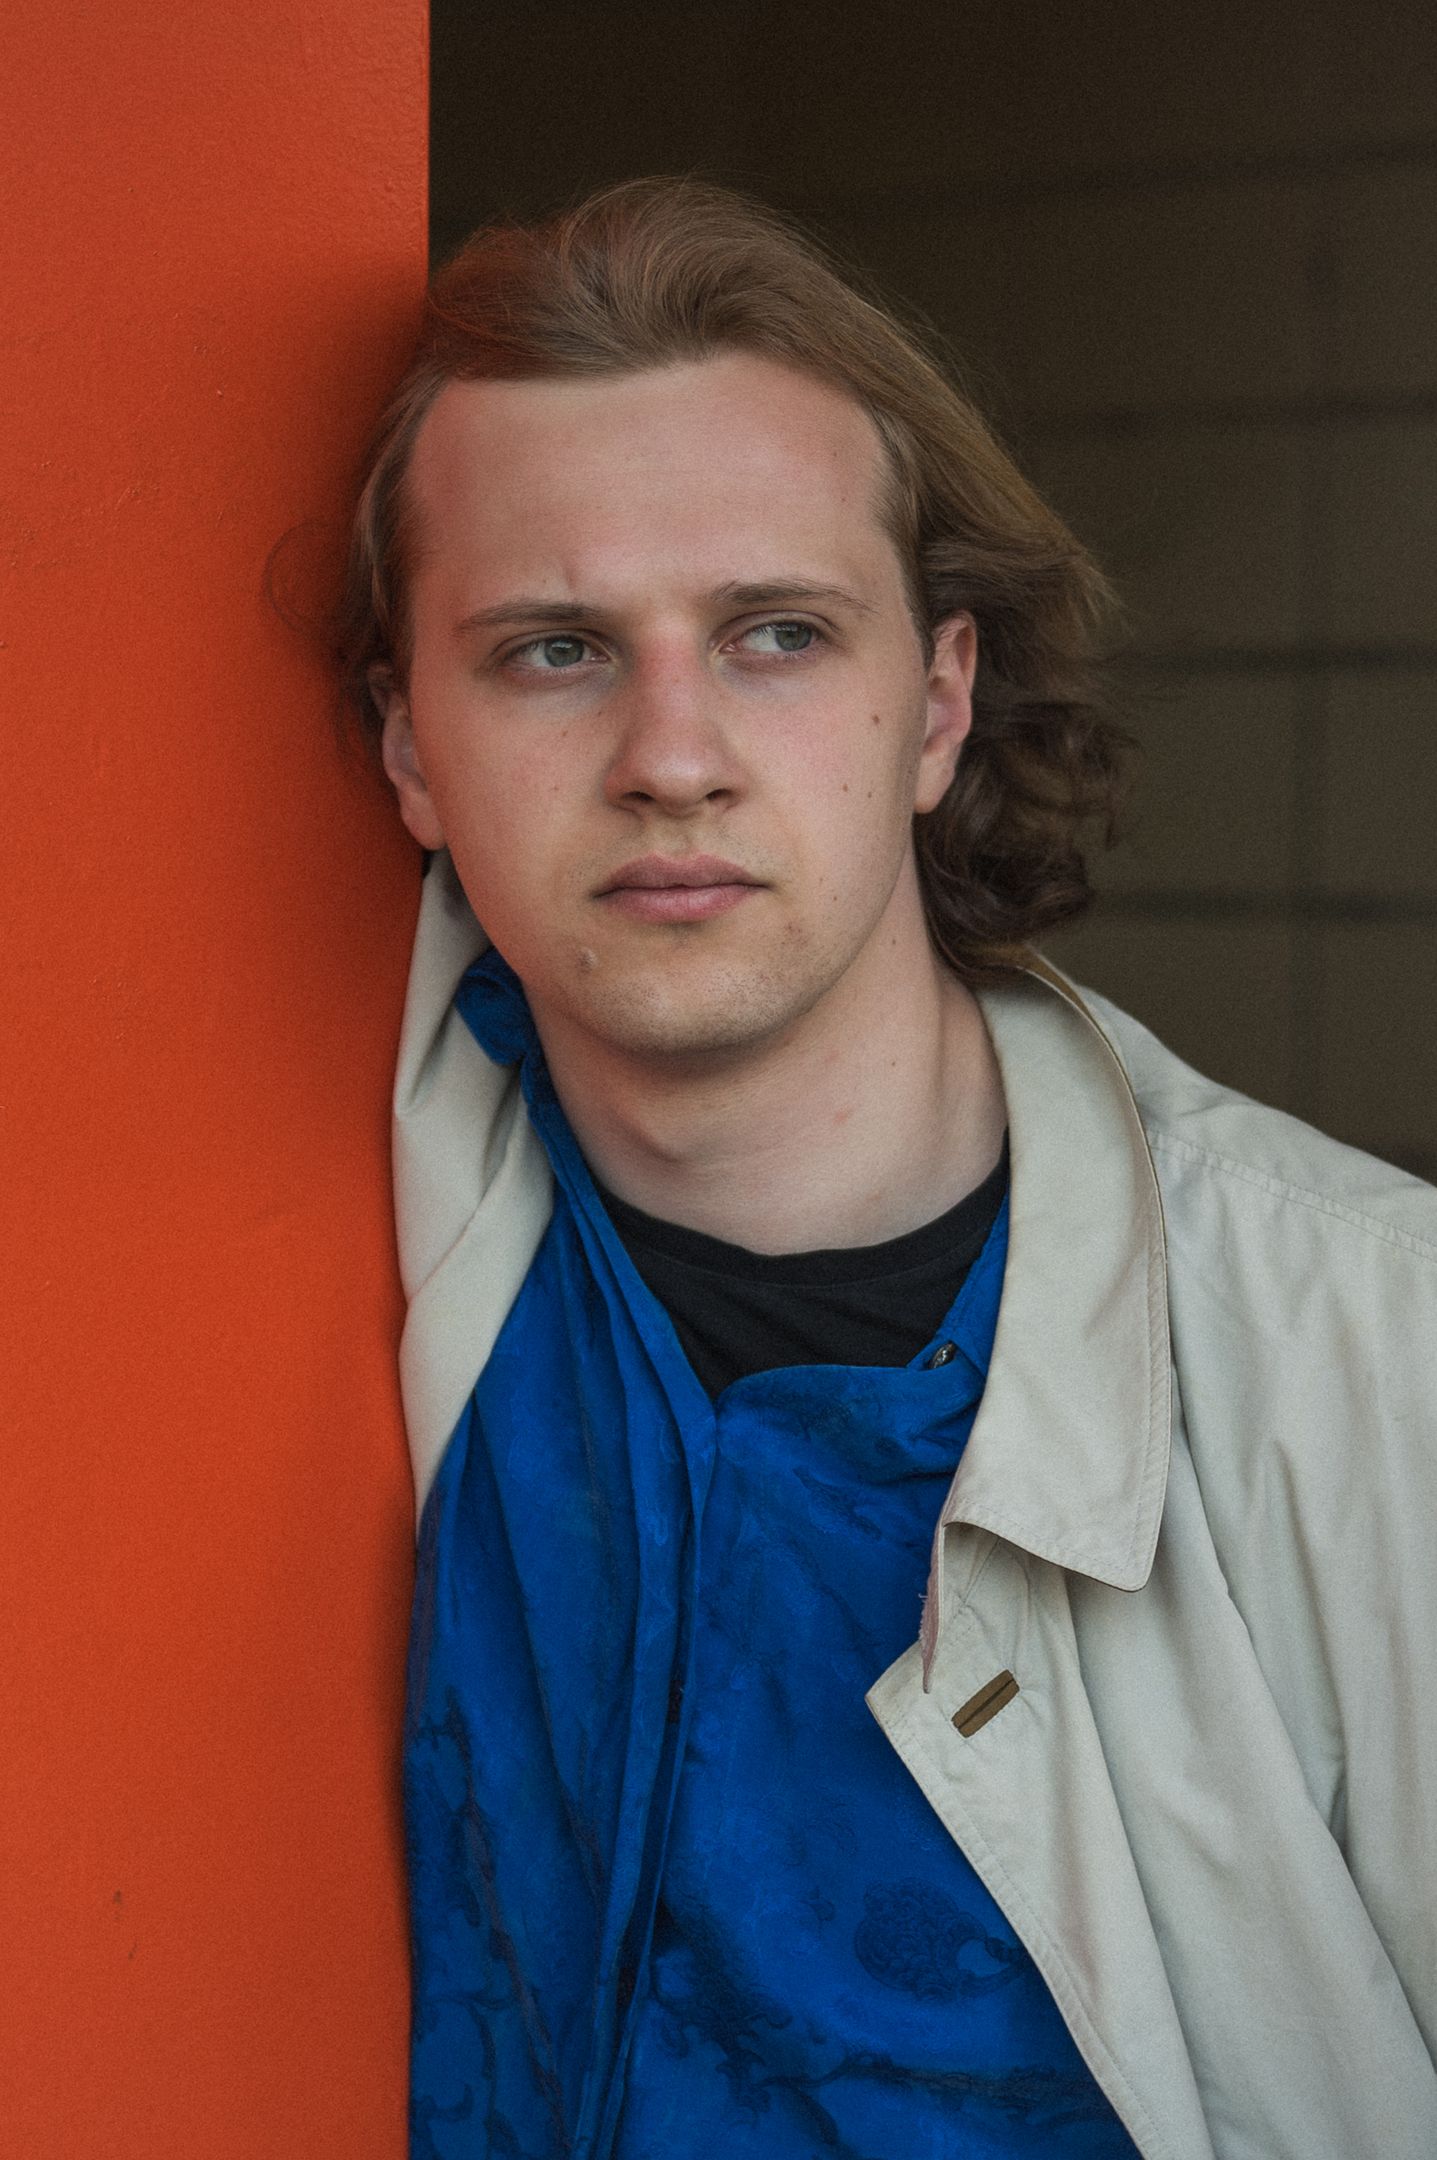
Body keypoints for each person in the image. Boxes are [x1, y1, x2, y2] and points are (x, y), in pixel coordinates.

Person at [341, 177, 1437, 2159]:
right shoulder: (365, 1232)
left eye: (774, 634)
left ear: (935, 703)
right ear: (408, 749)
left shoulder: (1371, 1356)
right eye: (553, 650)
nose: (670, 755)